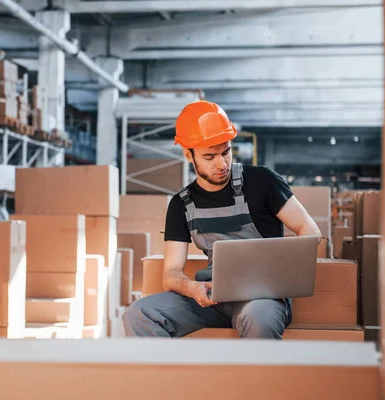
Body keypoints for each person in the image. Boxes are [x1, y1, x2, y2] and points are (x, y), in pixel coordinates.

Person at [122, 100, 322, 339]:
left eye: (225, 152)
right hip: (211, 297)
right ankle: (169, 376)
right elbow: (171, 273)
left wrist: (282, 279)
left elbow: (310, 231)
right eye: (209, 156)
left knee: (259, 319)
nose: (221, 164)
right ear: (189, 155)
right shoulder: (181, 205)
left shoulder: (263, 182)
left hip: (262, 299)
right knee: (139, 314)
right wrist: (192, 288)